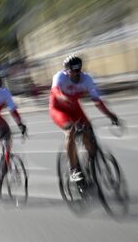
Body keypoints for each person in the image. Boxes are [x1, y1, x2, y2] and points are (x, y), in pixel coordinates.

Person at [49, 53, 120, 184]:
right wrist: (62, 97)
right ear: (67, 70)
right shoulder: (59, 77)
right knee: (71, 131)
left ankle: (89, 166)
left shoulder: (86, 79)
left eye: (78, 69)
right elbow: (56, 91)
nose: (76, 73)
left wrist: (110, 115)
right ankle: (73, 170)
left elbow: (97, 101)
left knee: (89, 135)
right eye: (73, 70)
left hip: (76, 109)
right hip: (59, 109)